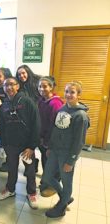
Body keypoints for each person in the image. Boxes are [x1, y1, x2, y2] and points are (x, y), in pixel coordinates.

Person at [43, 81, 89, 218]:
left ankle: (61, 206)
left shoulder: (80, 116)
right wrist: (50, 147)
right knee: (48, 177)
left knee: (66, 180)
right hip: (55, 151)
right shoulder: (62, 109)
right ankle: (65, 197)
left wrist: (71, 161)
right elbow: (56, 130)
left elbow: (79, 141)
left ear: (78, 95)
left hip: (67, 154)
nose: (68, 95)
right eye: (67, 91)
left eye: (72, 92)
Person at [0, 77, 40, 210]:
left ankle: (31, 193)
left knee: (30, 170)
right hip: (11, 145)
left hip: (26, 146)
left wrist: (31, 147)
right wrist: (3, 144)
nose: (8, 87)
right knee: (12, 168)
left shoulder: (27, 102)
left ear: (17, 86)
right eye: (5, 85)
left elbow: (36, 124)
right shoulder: (4, 105)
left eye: (11, 84)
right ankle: (10, 189)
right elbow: (2, 127)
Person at [37, 76, 63, 196]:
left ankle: (53, 185)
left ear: (51, 87)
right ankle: (47, 180)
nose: (42, 89)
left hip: (52, 140)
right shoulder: (42, 100)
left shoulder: (55, 103)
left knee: (53, 163)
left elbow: (55, 126)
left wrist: (49, 143)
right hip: (43, 138)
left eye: (45, 86)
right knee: (45, 160)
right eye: (40, 86)